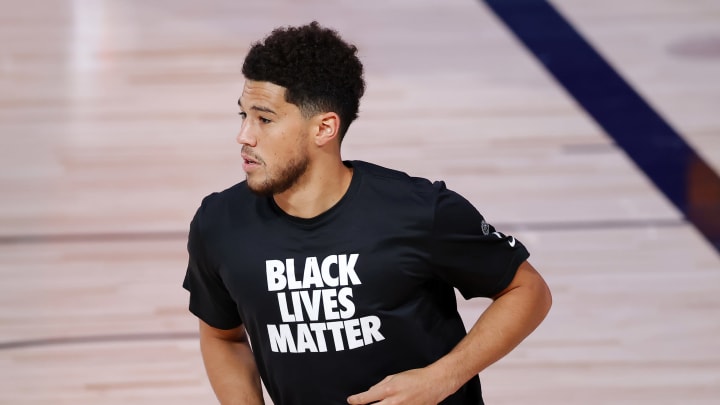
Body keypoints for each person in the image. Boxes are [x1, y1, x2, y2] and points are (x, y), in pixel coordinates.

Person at [183, 21, 552, 405]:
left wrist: (443, 378)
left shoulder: (418, 211)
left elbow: (528, 290)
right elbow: (222, 336)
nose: (244, 135)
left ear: (324, 128)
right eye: (242, 115)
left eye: (264, 119)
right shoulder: (219, 224)